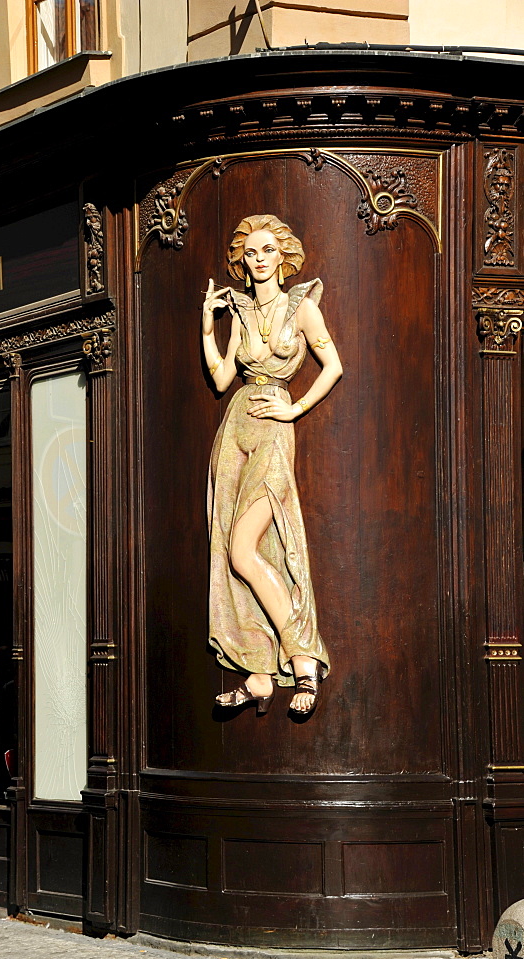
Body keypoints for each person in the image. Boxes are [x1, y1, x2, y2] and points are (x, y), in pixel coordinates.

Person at [203, 214, 342, 716]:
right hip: (236, 429)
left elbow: (334, 366)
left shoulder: (301, 307)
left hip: (274, 432)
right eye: (251, 253)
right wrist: (206, 326)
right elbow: (222, 380)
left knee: (248, 549)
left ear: (283, 257)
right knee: (234, 551)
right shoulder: (239, 313)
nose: (257, 259)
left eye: (267, 251)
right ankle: (259, 672)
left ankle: (304, 659)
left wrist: (295, 407)